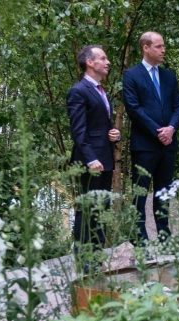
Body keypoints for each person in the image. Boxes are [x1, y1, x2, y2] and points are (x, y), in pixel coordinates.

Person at [123, 31, 179, 244]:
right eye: (159, 46)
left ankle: (165, 238)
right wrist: (159, 131)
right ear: (146, 48)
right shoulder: (131, 75)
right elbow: (133, 108)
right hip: (145, 145)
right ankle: (140, 240)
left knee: (164, 192)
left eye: (163, 45)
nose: (163, 49)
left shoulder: (169, 75)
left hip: (168, 144)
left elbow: (178, 107)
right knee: (140, 193)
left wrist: (171, 129)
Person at [67, 45, 121, 250]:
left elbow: (99, 125)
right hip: (91, 160)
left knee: (101, 206)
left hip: (105, 156)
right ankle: (83, 257)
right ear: (90, 62)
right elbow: (78, 131)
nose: (108, 62)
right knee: (88, 207)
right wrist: (90, 158)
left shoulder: (101, 90)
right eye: (103, 58)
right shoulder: (78, 91)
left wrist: (114, 133)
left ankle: (97, 254)